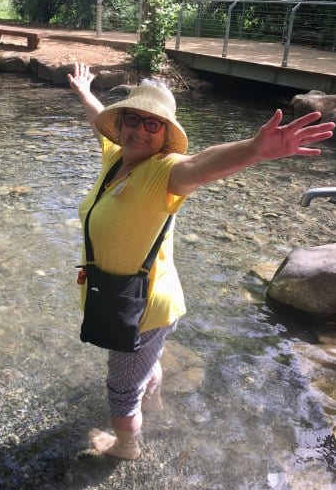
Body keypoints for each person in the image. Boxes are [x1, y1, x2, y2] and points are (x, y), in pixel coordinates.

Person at [67, 62, 335, 460]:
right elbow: (97, 122)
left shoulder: (166, 175)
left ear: (164, 136)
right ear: (119, 122)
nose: (139, 129)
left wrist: (254, 151)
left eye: (152, 124)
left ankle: (127, 447)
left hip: (142, 308)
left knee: (120, 390)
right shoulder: (116, 158)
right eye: (132, 118)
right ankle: (153, 398)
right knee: (143, 363)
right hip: (142, 297)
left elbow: (200, 164)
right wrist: (85, 93)